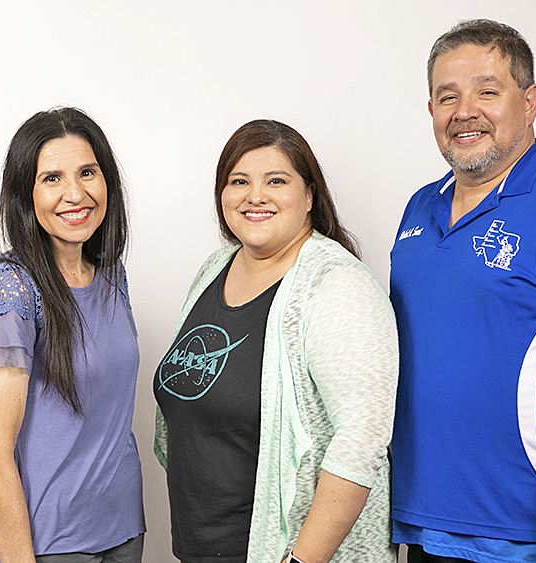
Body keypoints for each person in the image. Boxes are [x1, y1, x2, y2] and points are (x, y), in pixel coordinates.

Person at [388, 19, 536, 563]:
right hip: (424, 521)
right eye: (447, 96)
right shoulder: (419, 208)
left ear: (530, 101)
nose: (464, 111)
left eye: (487, 92)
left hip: (527, 531)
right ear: (431, 110)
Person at [154, 119, 399, 563]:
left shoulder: (338, 286)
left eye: (276, 181)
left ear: (309, 196)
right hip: (202, 549)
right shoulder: (215, 269)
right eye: (239, 181)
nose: (255, 196)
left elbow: (361, 442)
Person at [0, 107, 145, 563]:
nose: (75, 193)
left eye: (88, 172)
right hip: (49, 545)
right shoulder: (11, 287)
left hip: (124, 529)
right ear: (25, 195)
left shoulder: (110, 276)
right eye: (51, 178)